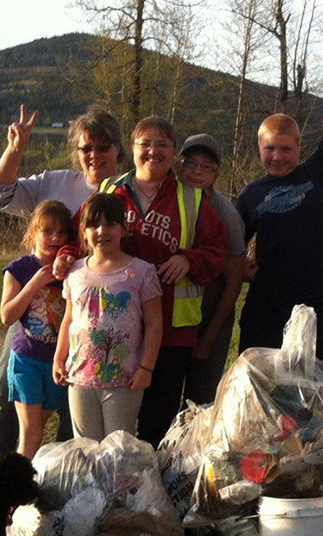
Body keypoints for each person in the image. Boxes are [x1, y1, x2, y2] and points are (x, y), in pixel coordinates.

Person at [57, 116, 227, 448]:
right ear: (132, 150)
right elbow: (78, 235)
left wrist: (188, 258)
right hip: (110, 332)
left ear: (174, 152)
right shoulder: (110, 191)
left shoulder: (191, 200)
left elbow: (217, 251)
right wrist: (65, 254)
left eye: (162, 144)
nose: (153, 151)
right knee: (103, 428)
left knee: (156, 424)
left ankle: (149, 490)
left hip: (170, 332)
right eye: (145, 144)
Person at [0, 105, 125, 467]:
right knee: (5, 399)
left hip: (88, 322)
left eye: (103, 147)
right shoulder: (57, 183)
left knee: (73, 411)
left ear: (118, 149)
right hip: (34, 319)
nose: (94, 155)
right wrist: (16, 148)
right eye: (86, 148)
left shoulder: (126, 192)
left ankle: (56, 480)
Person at [235, 33, 323, 391]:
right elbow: (230, 251)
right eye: (270, 149)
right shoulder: (251, 196)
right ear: (260, 148)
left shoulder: (317, 171)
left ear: (299, 146)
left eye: (285, 148)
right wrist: (240, 269)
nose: (278, 156)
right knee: (262, 392)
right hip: (270, 306)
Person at [53, 195, 163, 441]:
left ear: (124, 229)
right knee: (86, 446)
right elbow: (69, 318)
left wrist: (146, 368)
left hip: (124, 380)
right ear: (83, 232)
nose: (102, 231)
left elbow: (155, 323)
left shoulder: (142, 272)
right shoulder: (75, 272)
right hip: (80, 378)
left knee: (118, 449)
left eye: (110, 224)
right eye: (93, 225)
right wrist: (59, 358)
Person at [0, 201, 76, 458]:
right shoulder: (19, 268)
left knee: (36, 431)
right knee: (32, 434)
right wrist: (34, 283)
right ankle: (15, 495)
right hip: (27, 359)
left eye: (62, 232)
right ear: (33, 232)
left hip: (56, 362)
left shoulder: (73, 268)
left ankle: (21, 483)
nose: (54, 238)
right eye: (47, 231)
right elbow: (7, 316)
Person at [177, 134, 247, 405]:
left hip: (209, 318)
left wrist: (209, 338)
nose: (197, 171)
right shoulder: (167, 200)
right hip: (171, 321)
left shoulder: (226, 214)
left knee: (200, 400)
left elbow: (233, 283)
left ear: (216, 173)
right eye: (190, 163)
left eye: (206, 166)